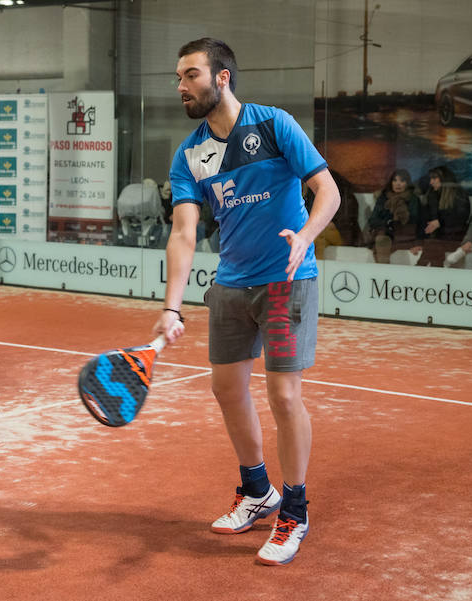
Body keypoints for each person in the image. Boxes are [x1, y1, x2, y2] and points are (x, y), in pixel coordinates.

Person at [156, 38, 340, 566]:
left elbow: (327, 190)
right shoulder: (189, 154)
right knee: (226, 389)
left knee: (284, 397)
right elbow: (184, 234)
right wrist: (172, 306)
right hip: (232, 285)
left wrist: (305, 235)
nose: (181, 86)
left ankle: (296, 510)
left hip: (285, 282)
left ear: (222, 78)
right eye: (179, 77)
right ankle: (257, 491)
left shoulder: (274, 125)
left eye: (191, 75)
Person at [413, 166, 470, 267]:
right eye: (431, 179)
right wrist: (418, 241)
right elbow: (423, 221)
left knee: (433, 246)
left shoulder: (459, 194)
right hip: (435, 238)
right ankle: (432, 271)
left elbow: (461, 218)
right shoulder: (431, 195)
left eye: (434, 178)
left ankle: (419, 269)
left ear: (444, 179)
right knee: (434, 247)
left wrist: (440, 222)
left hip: (455, 236)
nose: (431, 182)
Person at [363, 169, 421, 263]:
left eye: (402, 181)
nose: (398, 184)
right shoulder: (383, 197)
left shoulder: (413, 199)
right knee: (382, 239)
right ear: (391, 182)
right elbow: (373, 219)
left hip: (404, 236)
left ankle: (383, 273)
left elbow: (415, 220)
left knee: (381, 241)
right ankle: (384, 272)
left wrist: (418, 242)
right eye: (395, 180)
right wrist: (387, 223)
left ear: (407, 183)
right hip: (385, 233)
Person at [305, 169, 361, 259]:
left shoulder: (347, 198)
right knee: (317, 236)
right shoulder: (313, 194)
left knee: (321, 235)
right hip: (320, 233)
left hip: (342, 235)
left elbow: (348, 223)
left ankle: (317, 267)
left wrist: (332, 224)